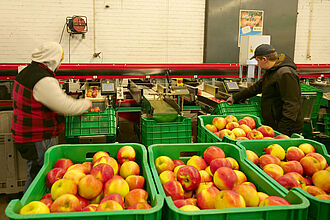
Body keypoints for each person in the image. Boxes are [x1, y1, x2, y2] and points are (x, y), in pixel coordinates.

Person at [11, 42, 92, 192]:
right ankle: (28, 208)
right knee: (39, 176)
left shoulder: (26, 72)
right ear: (53, 59)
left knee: (37, 171)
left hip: (26, 134)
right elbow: (65, 107)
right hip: (37, 137)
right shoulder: (43, 80)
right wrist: (86, 104)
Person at [227, 44, 304, 136]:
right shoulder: (272, 71)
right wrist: (235, 97)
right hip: (274, 125)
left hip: (286, 128)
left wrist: (282, 133)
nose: (257, 64)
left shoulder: (286, 74)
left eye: (257, 61)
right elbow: (256, 87)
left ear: (264, 59)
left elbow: (291, 105)